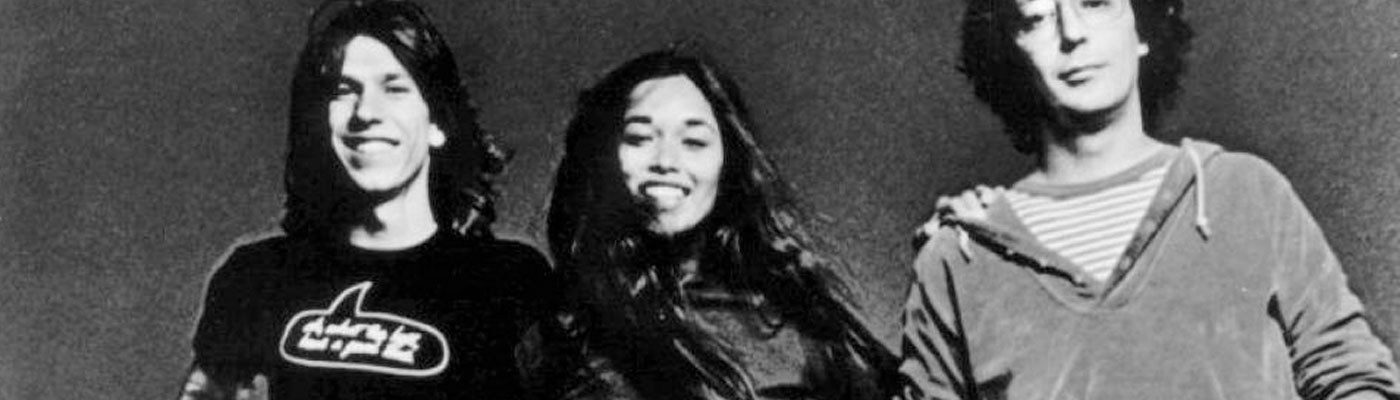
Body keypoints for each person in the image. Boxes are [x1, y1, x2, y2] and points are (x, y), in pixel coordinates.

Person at [899, 0, 1400, 399]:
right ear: (1009, 54)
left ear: (1141, 28)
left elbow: (1351, 375)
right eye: (1036, 18)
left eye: (1096, 3)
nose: (1072, 33)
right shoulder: (958, 258)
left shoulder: (1245, 190)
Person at [177, 1, 551, 398]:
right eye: (344, 90)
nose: (366, 112)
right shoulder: (256, 277)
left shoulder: (509, 280)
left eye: (394, 88)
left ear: (437, 123)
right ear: (321, 122)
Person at [539, 46, 896, 400]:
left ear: (729, 164)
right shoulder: (557, 324)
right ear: (600, 155)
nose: (666, 161)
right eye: (639, 138)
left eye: (694, 141)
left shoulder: (801, 315)